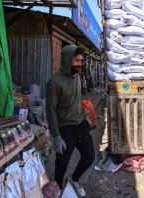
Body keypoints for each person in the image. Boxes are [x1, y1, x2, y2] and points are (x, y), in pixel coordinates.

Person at [46, 45, 95, 197]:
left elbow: (76, 99)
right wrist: (56, 135)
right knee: (62, 164)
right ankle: (58, 189)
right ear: (68, 60)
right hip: (65, 128)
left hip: (80, 124)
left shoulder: (77, 77)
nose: (80, 64)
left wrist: (84, 114)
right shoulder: (54, 82)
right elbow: (50, 109)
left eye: (81, 61)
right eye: (77, 61)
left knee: (89, 157)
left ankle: (74, 180)